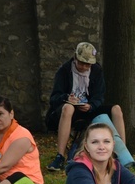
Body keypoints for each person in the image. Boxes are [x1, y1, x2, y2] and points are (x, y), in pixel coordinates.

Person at [45, 42, 127, 171]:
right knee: (68, 108)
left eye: (88, 64)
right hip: (67, 111)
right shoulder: (64, 71)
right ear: (75, 58)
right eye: (81, 63)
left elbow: (99, 96)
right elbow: (54, 98)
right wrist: (67, 98)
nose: (84, 67)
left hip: (88, 109)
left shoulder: (96, 71)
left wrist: (91, 105)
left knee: (116, 109)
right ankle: (60, 156)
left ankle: (123, 155)